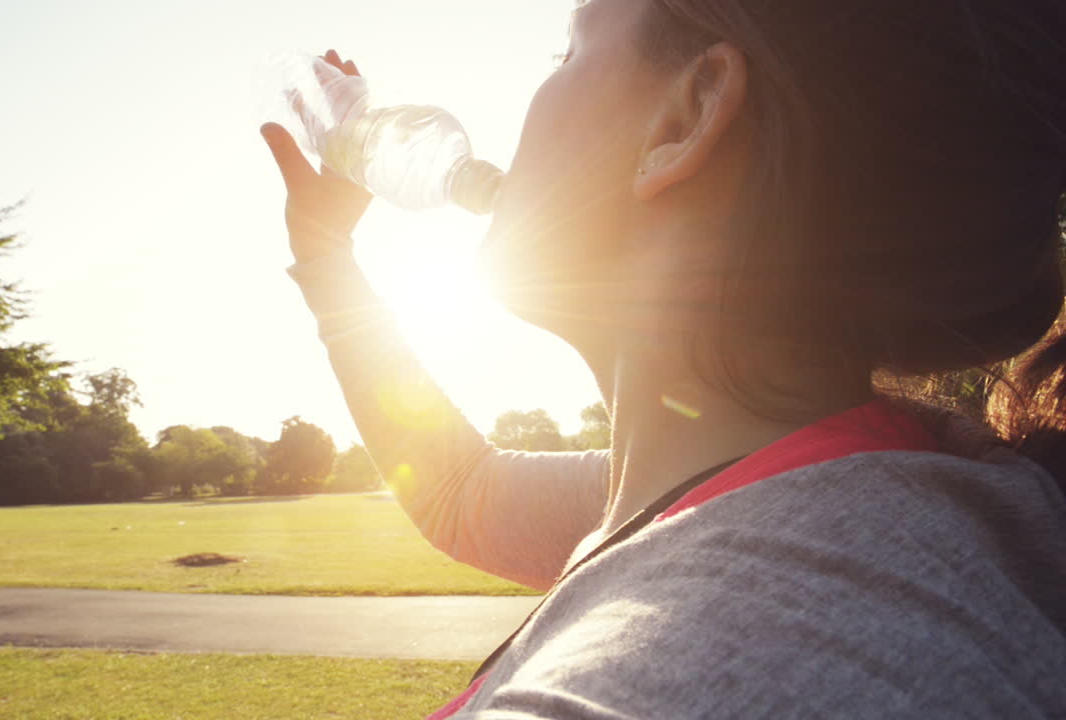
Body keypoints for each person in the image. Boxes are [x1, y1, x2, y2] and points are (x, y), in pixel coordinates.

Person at [260, 0, 1066, 716]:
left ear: (685, 118)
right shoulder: (782, 482)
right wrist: (330, 260)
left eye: (567, 52)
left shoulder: (678, 670)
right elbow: (460, 494)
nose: (533, 101)